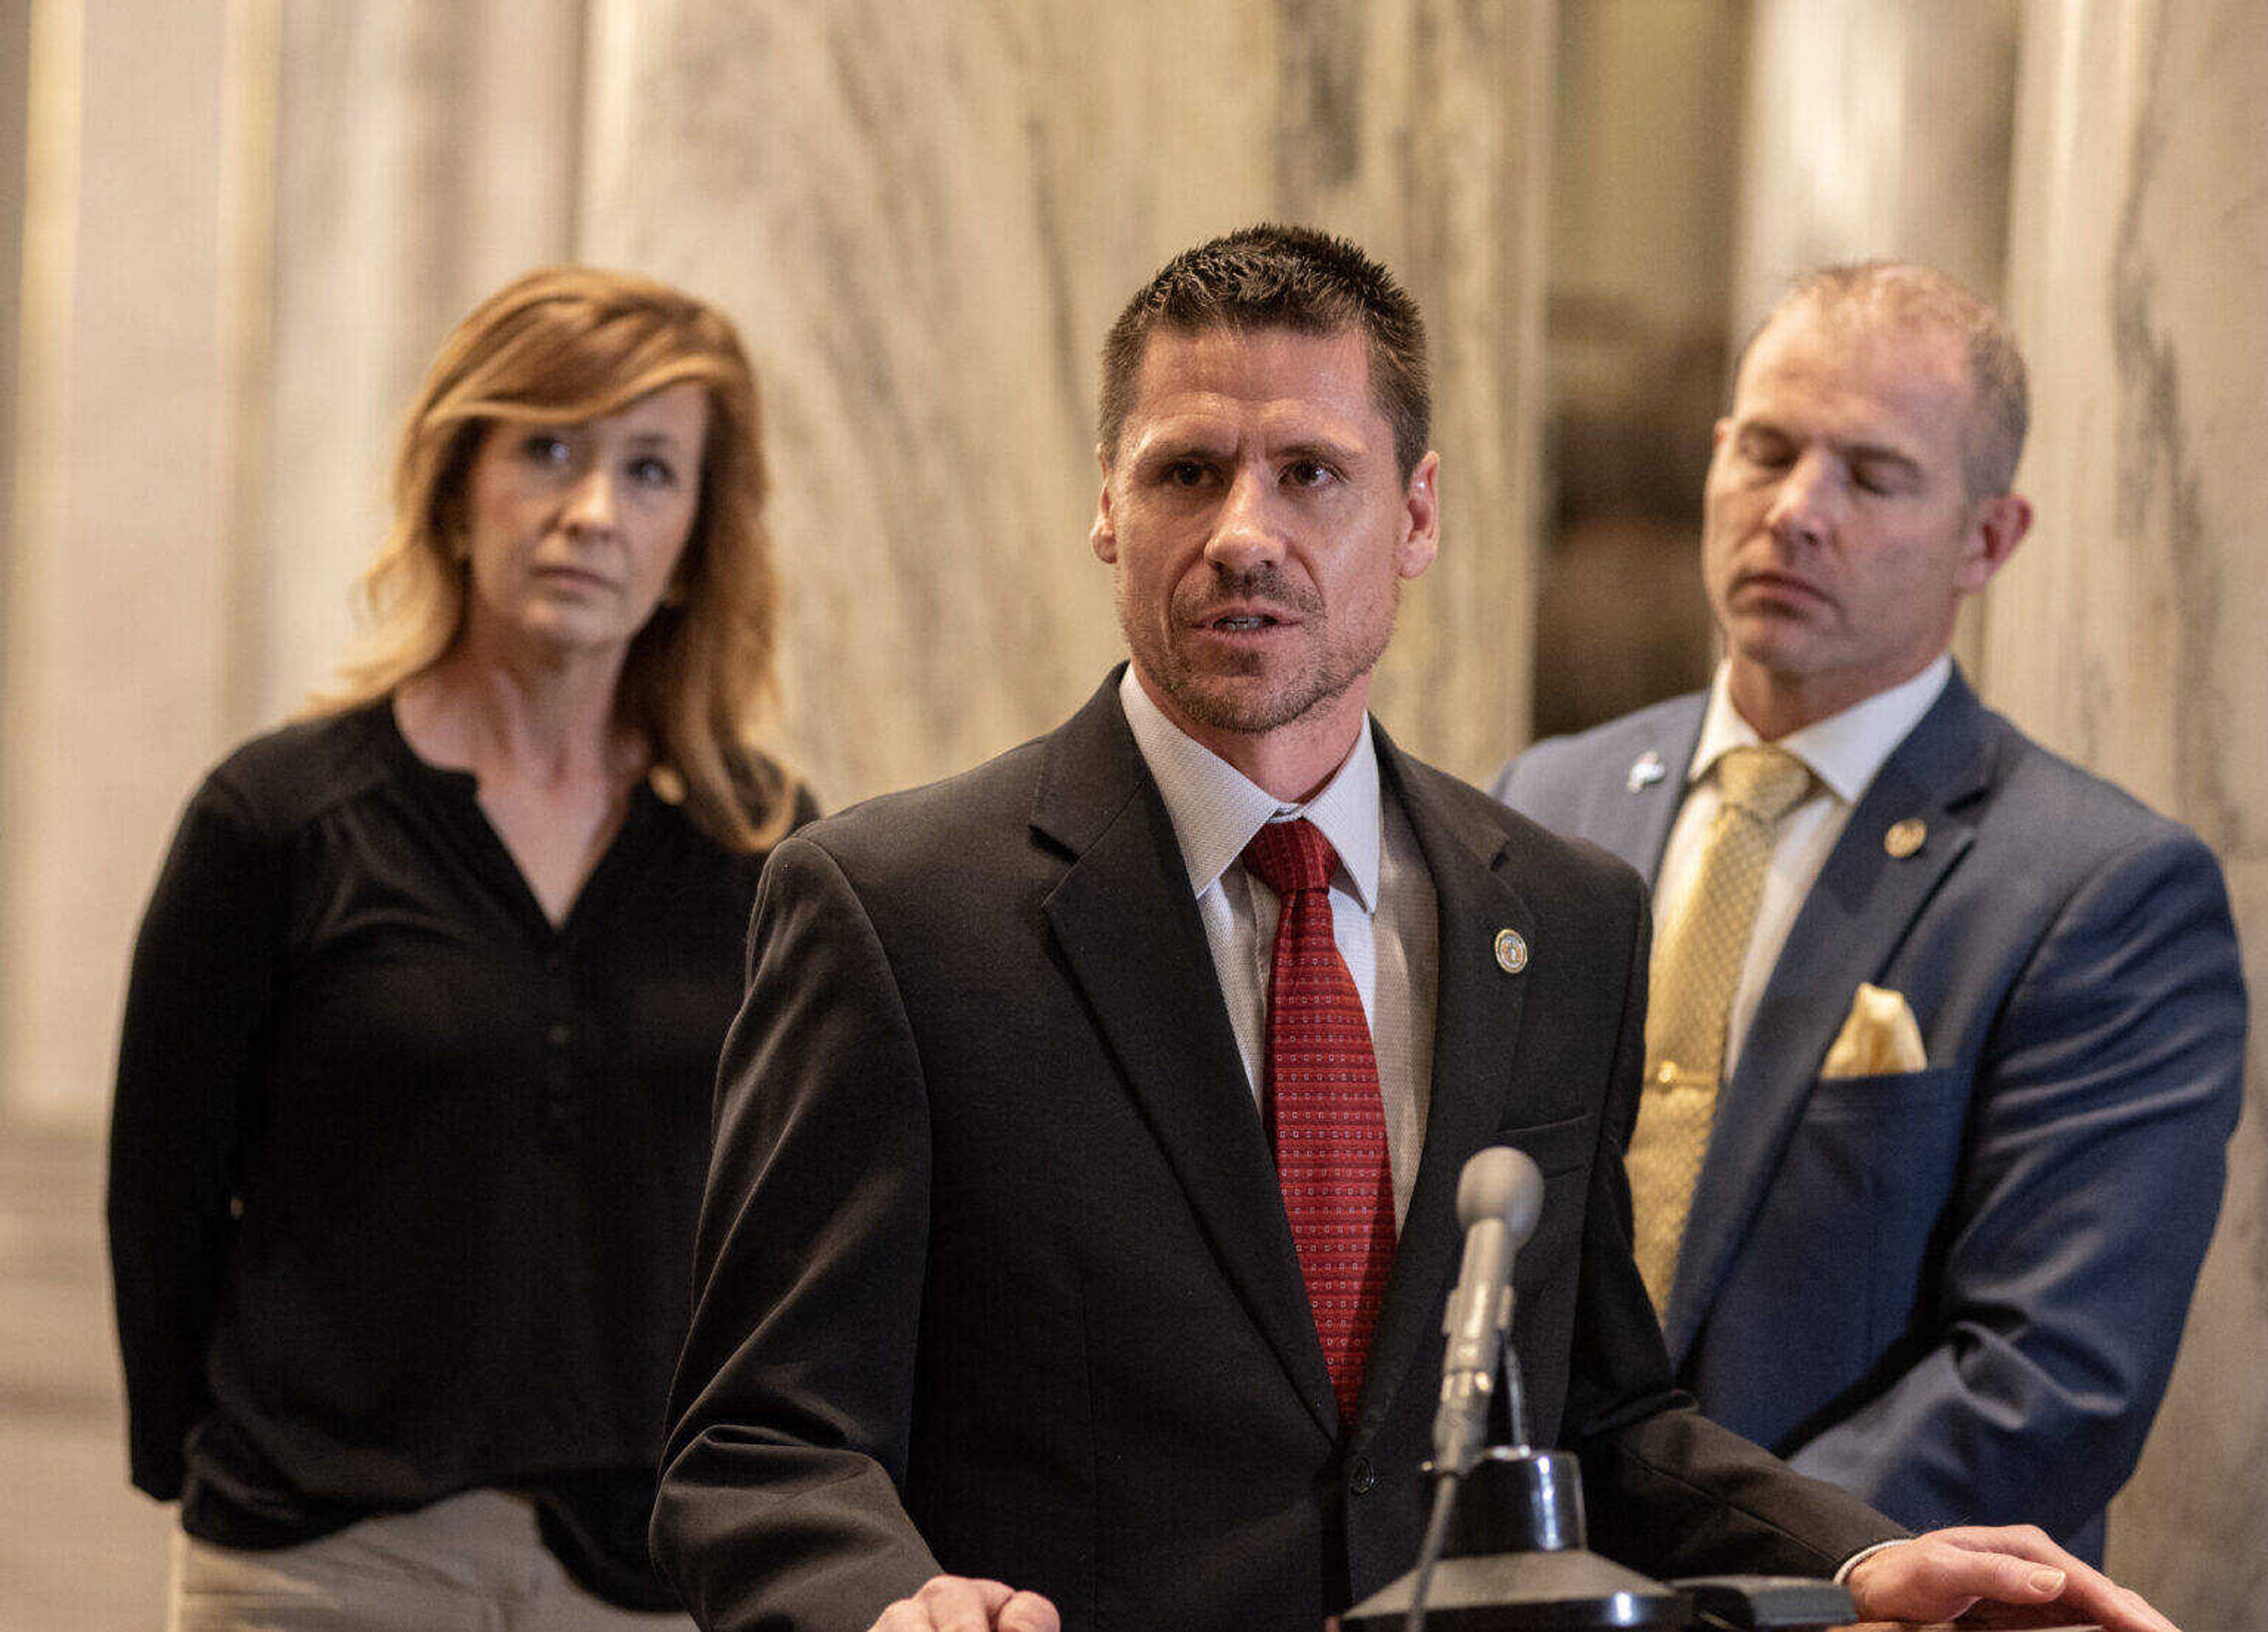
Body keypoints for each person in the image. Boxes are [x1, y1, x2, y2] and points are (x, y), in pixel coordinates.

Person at [651, 228, 2179, 1632]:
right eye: (1189, 471)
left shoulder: (1558, 910)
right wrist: (885, 1598)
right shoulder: (898, 907)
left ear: (1421, 511)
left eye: (1313, 472)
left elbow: (1596, 1414)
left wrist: (1849, 1555)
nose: (1246, 532)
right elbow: (762, 1442)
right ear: (1106, 504)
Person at [1493, 262, 2245, 1564]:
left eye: (1874, 476)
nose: (1797, 512)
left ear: (1988, 538)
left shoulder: (2102, 888)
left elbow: (2046, 1376)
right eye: (1769, 452)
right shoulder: (1544, 797)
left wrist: (1723, 1564)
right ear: (1717, 459)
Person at [108, 266, 813, 1629]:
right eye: (548, 448)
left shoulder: (765, 850)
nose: (592, 513)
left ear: (695, 536)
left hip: (653, 1570)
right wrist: (208, 1463)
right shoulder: (280, 819)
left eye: (651, 469)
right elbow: (163, 1192)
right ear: (457, 482)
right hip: (326, 1556)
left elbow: (803, 1223)